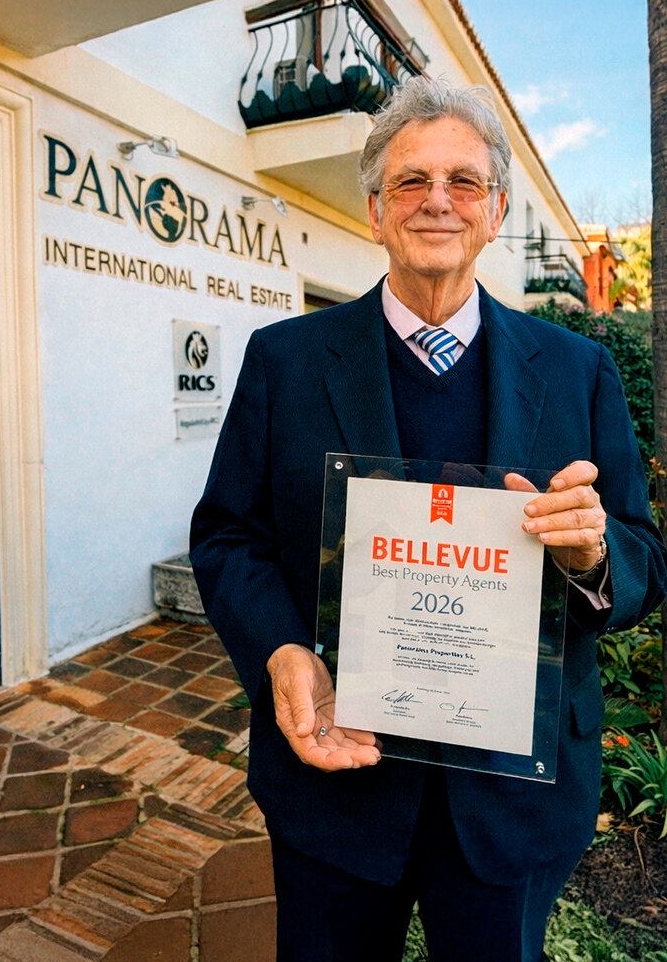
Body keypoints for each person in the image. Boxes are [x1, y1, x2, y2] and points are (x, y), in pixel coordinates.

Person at [189, 77, 667, 962]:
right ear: (374, 211)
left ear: (494, 216)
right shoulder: (284, 361)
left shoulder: (577, 371)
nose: (436, 200)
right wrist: (281, 651)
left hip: (510, 803)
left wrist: (595, 553)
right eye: (410, 181)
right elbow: (228, 536)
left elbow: (642, 552)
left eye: (463, 182)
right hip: (337, 781)